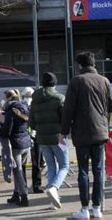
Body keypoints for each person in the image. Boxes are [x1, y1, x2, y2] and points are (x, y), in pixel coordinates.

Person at [61, 52, 112, 219]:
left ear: (80, 65)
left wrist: (64, 132)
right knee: (98, 170)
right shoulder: (104, 80)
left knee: (83, 171)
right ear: (94, 64)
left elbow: (68, 109)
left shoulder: (76, 81)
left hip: (82, 133)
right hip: (100, 132)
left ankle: (84, 209)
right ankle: (97, 208)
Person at [29, 72, 69, 210]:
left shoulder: (35, 99)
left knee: (51, 166)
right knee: (64, 166)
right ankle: (54, 188)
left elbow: (31, 122)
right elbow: (64, 120)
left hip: (41, 137)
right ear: (55, 83)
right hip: (58, 137)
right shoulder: (59, 98)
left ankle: (53, 200)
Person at [0, 89, 32, 207]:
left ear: (8, 98)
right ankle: (16, 194)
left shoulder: (10, 110)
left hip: (16, 144)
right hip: (26, 143)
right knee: (20, 170)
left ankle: (24, 197)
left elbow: (8, 130)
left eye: (4, 98)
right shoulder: (24, 107)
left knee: (17, 172)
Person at [21, 87, 44, 194]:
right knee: (23, 163)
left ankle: (36, 185)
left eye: (30, 96)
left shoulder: (38, 106)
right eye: (27, 96)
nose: (28, 98)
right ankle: (24, 185)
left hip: (35, 136)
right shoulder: (21, 107)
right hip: (26, 136)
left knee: (36, 162)